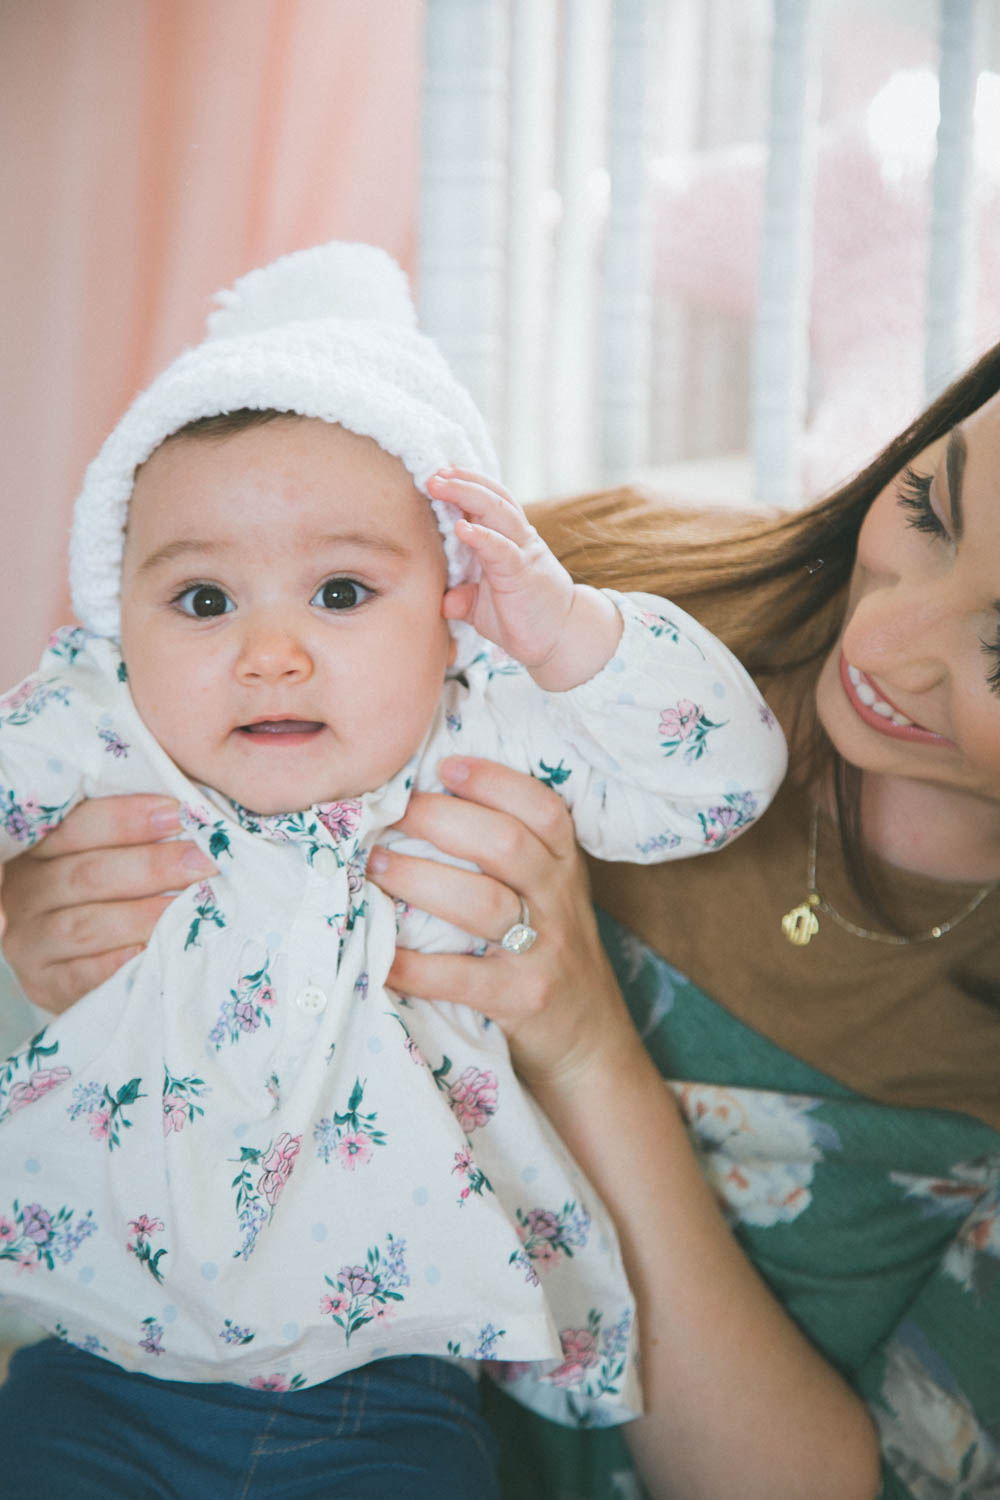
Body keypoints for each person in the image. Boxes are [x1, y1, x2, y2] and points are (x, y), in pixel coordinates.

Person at [5, 332, 1000, 1500]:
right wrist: (52, 920)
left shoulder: (560, 681)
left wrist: (582, 1043)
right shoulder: (514, 585)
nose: (879, 640)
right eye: (931, 508)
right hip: (105, 1354)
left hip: (399, 1406)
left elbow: (722, 782)